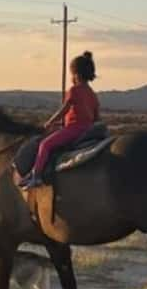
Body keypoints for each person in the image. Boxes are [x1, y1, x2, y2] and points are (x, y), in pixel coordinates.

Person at [20, 51, 100, 189]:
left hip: (74, 130)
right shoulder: (92, 94)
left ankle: (36, 176)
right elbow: (95, 117)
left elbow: (63, 110)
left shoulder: (74, 90)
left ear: (76, 74)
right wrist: (62, 123)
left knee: (45, 145)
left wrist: (50, 122)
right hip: (87, 130)